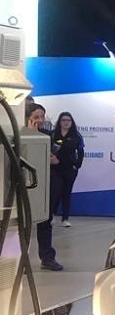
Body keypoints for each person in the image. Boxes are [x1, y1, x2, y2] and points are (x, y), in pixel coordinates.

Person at [24, 102, 63, 271]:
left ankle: (47, 257)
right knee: (22, 223)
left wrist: (54, 160)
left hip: (45, 183)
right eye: (36, 117)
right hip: (25, 183)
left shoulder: (48, 135)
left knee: (45, 220)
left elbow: (54, 158)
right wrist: (31, 134)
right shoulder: (19, 134)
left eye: (42, 116)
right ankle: (19, 260)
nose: (40, 120)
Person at [51, 111, 85, 226]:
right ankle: (52, 214)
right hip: (56, 168)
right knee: (55, 192)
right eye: (63, 120)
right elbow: (48, 149)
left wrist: (77, 165)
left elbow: (81, 151)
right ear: (59, 122)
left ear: (72, 122)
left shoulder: (76, 135)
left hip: (70, 168)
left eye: (68, 120)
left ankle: (65, 218)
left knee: (66, 193)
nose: (66, 122)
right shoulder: (53, 134)